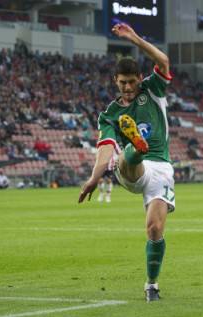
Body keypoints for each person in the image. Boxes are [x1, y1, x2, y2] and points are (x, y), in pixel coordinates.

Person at [78, 23, 174, 302]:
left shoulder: (153, 88)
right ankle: (136, 148)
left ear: (139, 78)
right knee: (125, 157)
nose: (129, 87)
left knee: (155, 228)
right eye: (123, 83)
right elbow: (106, 148)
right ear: (115, 82)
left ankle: (151, 285)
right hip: (131, 169)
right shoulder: (109, 113)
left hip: (162, 169)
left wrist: (133, 38)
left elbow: (164, 61)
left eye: (132, 82)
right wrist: (94, 178)